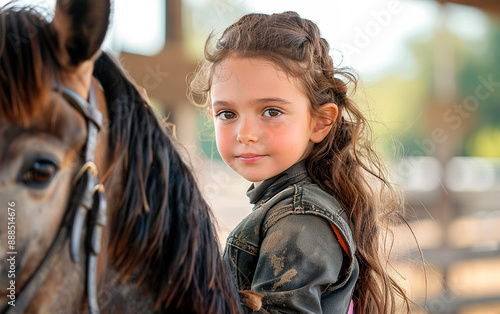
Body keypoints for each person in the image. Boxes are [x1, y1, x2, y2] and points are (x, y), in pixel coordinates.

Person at [190, 11, 411, 313]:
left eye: (271, 111)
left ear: (320, 122)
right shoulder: (283, 208)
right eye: (227, 114)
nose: (245, 134)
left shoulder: (299, 219)